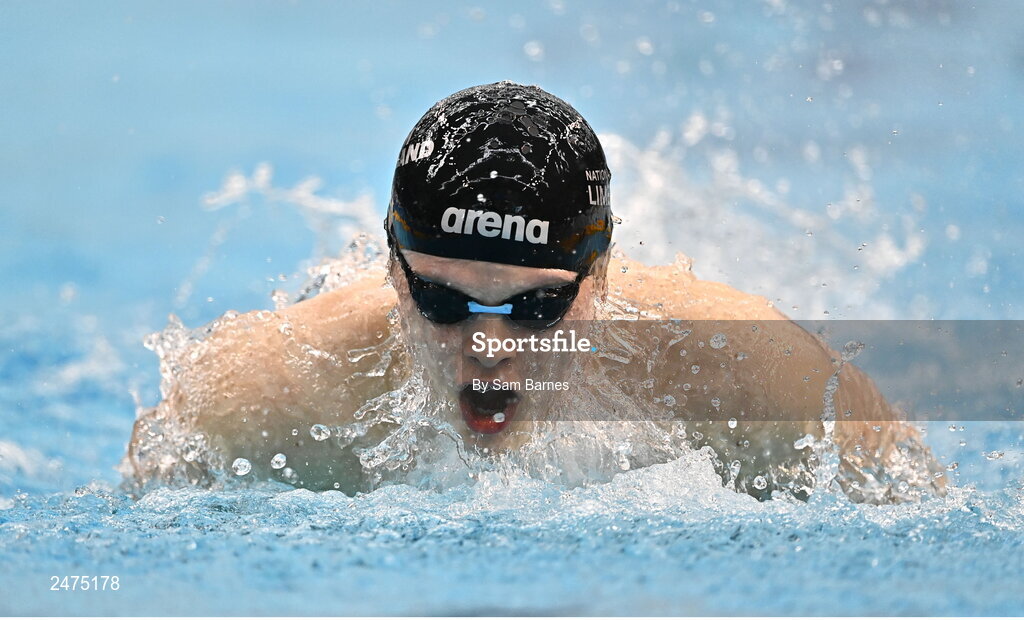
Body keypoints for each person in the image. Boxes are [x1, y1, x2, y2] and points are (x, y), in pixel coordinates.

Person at [125, 81, 945, 503]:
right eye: (444, 302)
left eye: (536, 308)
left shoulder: (755, 372)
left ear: (603, 275)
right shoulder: (258, 394)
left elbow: (924, 510)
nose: (486, 348)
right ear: (392, 270)